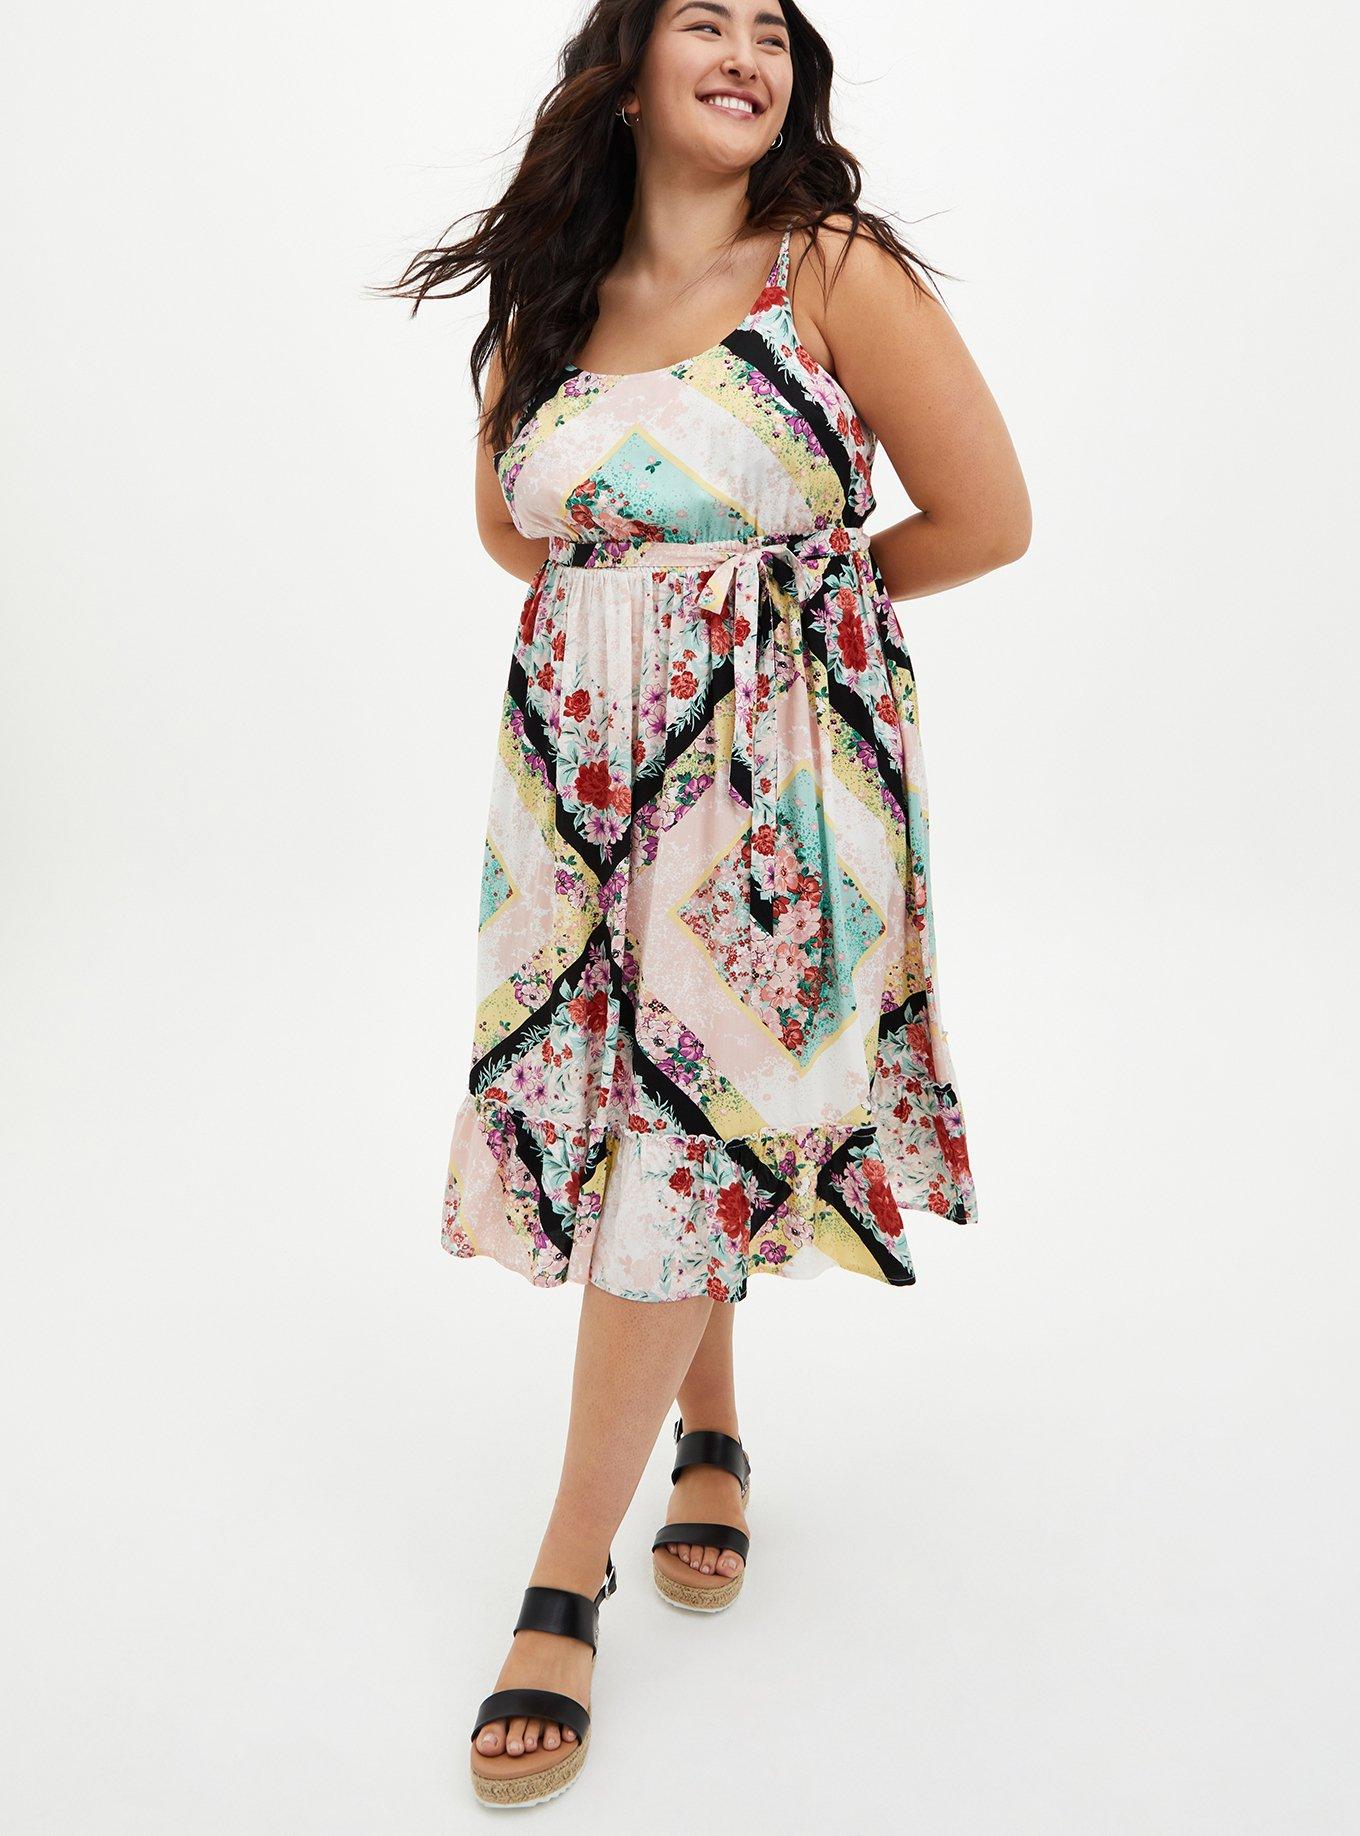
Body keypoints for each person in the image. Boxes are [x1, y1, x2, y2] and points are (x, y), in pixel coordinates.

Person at [384, 0, 1029, 1808]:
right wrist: (642, 617)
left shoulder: (829, 269)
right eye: (706, 18)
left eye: (774, 28)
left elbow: (985, 517)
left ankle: (560, 1574)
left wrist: (788, 613)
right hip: (575, 785)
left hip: (779, 786)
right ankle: (716, 1429)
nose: (749, 49)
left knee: (691, 1127)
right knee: (639, 1125)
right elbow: (515, 530)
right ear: (628, 68)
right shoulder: (548, 295)